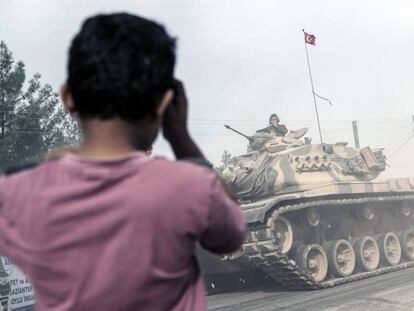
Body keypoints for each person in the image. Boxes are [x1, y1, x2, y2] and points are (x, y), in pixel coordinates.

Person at [0, 13, 246, 311]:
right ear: (165, 106)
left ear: (68, 98)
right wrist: (182, 139)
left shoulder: (16, 194)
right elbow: (231, 236)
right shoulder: (191, 185)